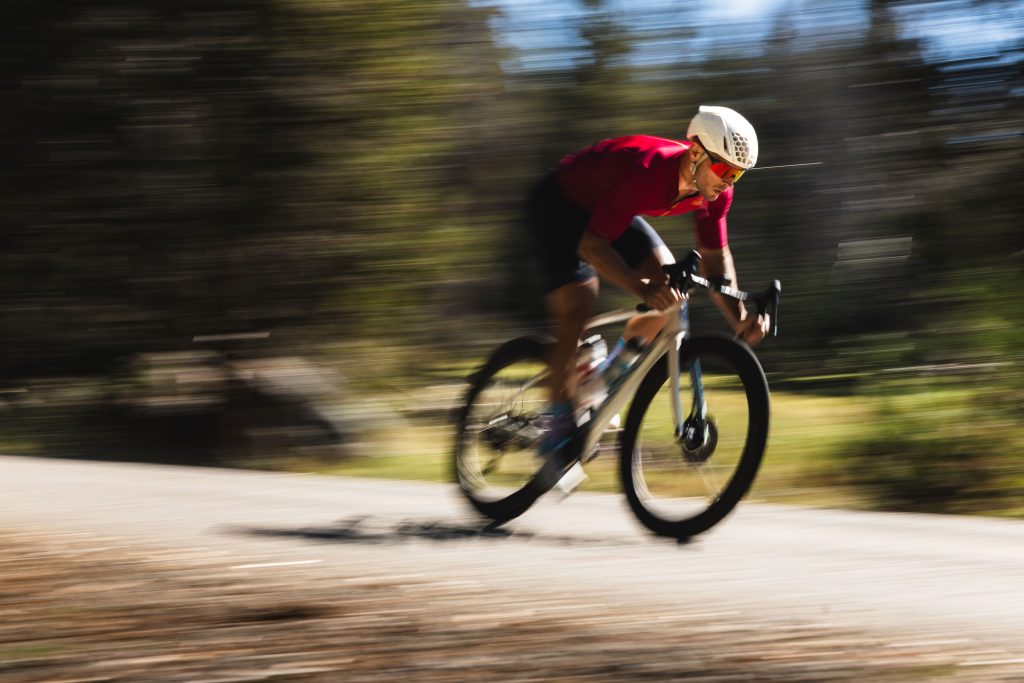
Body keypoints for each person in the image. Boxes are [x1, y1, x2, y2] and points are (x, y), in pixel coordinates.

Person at [525, 105, 771, 454]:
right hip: (560, 204)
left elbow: (715, 259)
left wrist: (740, 318)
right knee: (579, 303)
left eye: (737, 175)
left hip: (614, 205)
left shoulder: (716, 192)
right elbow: (591, 246)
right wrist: (641, 288)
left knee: (672, 294)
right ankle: (557, 418)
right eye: (723, 169)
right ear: (697, 152)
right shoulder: (648, 170)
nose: (727, 182)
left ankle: (594, 387)